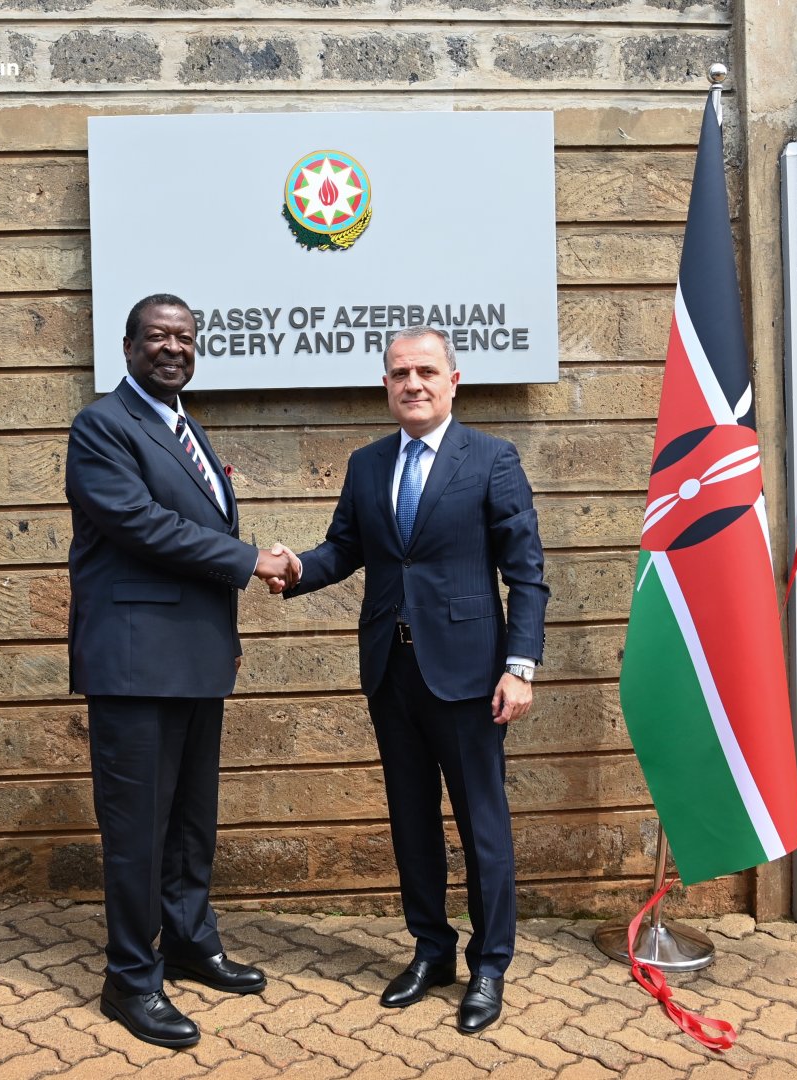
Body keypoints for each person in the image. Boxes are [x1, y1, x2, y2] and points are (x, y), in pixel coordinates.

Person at [279, 326, 549, 1035]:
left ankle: (489, 965)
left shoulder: (490, 459)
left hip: (470, 677)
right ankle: (432, 950)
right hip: (391, 672)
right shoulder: (368, 464)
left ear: (453, 381)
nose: (413, 384)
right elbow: (344, 548)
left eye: (426, 371)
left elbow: (525, 573)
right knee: (411, 820)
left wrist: (519, 666)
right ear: (386, 385)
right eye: (400, 373)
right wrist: (297, 568)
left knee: (482, 825)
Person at [65, 293, 300, 1050]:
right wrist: (251, 559)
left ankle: (191, 942)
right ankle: (131, 979)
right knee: (138, 830)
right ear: (127, 346)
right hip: (134, 664)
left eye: (185, 337)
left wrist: (223, 635)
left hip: (195, 661)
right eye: (158, 336)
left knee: (191, 822)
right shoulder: (102, 426)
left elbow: (197, 527)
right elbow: (142, 525)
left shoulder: (184, 426)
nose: (173, 347)